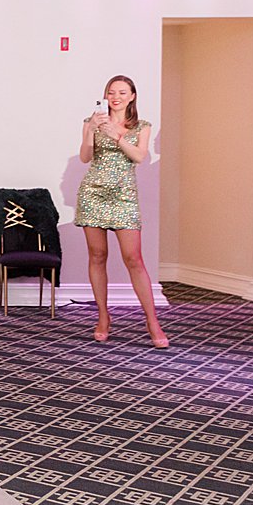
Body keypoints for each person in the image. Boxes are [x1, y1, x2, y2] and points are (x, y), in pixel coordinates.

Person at [75, 75, 167, 347]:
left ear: (132, 96)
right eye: (111, 92)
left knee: (133, 258)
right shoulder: (92, 121)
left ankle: (152, 321)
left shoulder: (141, 126)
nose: (116, 97)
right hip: (93, 192)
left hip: (124, 194)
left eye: (122, 92)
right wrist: (92, 130)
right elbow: (85, 157)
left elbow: (139, 157)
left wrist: (117, 136)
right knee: (97, 255)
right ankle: (103, 317)